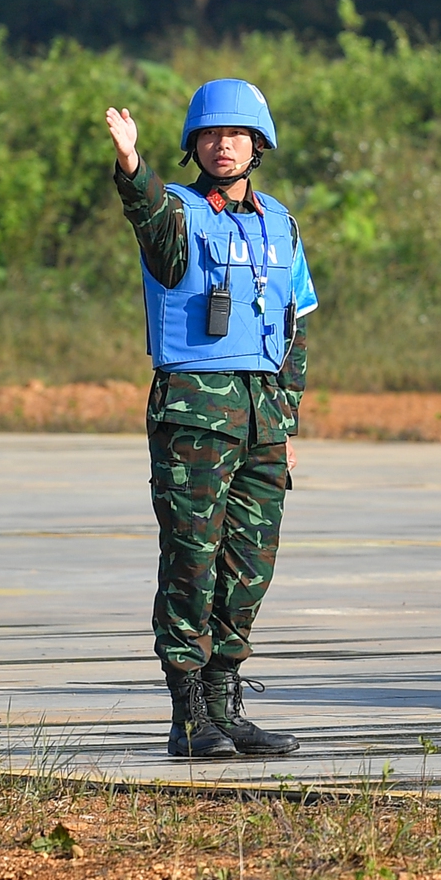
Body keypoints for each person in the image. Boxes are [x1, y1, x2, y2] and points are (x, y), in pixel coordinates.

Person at [104, 80, 317, 760]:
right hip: (197, 414)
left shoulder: (279, 221)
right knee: (192, 559)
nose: (224, 145)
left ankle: (227, 704)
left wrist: (286, 414)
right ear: (195, 146)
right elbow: (148, 215)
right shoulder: (179, 213)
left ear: (258, 145)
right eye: (211, 135)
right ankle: (189, 714)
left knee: (249, 564)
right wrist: (133, 167)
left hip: (262, 417)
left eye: (237, 135)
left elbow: (297, 324)